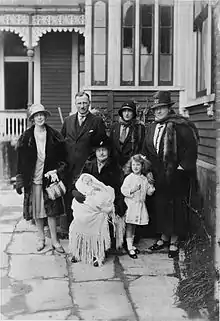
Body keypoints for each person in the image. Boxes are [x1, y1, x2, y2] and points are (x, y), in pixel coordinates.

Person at [142, 91, 198, 258]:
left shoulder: (180, 125)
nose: (158, 112)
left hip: (176, 175)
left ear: (168, 108)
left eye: (162, 108)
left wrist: (181, 169)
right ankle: (163, 237)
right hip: (158, 175)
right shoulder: (152, 127)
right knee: (161, 206)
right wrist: (148, 171)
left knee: (176, 207)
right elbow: (146, 150)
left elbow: (191, 149)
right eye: (155, 109)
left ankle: (174, 240)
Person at [15, 103, 67, 253]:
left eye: (42, 115)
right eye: (36, 115)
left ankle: (55, 241)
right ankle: (40, 238)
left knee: (52, 211)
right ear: (32, 118)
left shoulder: (55, 136)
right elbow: (20, 160)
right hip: (33, 178)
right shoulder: (26, 137)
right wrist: (20, 180)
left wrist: (57, 170)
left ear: (45, 116)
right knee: (38, 210)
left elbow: (63, 158)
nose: (39, 118)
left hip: (49, 178)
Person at [60, 91, 107, 235]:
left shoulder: (96, 121)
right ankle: (70, 230)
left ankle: (86, 231)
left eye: (85, 103)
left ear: (89, 103)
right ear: (75, 104)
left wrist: (92, 163)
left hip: (87, 169)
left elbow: (101, 146)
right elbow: (62, 143)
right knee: (69, 198)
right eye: (79, 103)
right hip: (69, 168)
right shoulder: (68, 121)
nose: (82, 106)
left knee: (86, 200)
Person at [71, 136, 126, 253]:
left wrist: (117, 205)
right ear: (95, 152)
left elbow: (119, 188)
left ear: (108, 151)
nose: (101, 153)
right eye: (98, 150)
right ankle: (85, 246)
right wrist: (76, 192)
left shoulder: (114, 167)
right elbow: (79, 181)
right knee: (81, 214)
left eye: (104, 150)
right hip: (90, 200)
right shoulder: (89, 165)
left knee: (100, 217)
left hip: (106, 201)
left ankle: (99, 250)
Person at [69, 173, 115, 267]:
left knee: (96, 233)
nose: (88, 182)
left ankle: (97, 255)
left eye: (89, 180)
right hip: (82, 215)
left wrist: (96, 192)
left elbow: (105, 200)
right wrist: (86, 200)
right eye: (85, 180)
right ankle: (78, 253)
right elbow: (75, 204)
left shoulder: (98, 188)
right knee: (78, 231)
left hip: (95, 217)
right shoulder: (79, 192)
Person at [121, 154, 155, 259]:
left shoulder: (144, 179)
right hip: (131, 205)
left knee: (134, 225)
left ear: (142, 166)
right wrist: (133, 190)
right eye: (134, 165)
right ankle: (129, 246)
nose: (135, 167)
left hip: (140, 205)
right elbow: (123, 190)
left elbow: (148, 192)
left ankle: (131, 244)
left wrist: (151, 188)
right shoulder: (129, 178)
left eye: (138, 165)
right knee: (130, 226)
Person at [109, 100, 145, 170]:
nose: (127, 114)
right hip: (115, 166)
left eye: (129, 111)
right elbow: (110, 146)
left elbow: (141, 148)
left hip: (131, 166)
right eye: (124, 111)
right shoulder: (114, 127)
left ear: (133, 113)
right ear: (121, 113)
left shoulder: (139, 128)